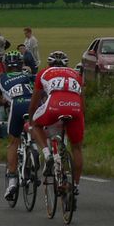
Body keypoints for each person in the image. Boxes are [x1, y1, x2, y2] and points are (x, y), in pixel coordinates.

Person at [29, 51, 85, 195]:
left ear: (49, 64)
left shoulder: (43, 72)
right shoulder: (76, 75)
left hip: (55, 105)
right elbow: (82, 102)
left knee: (36, 124)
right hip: (75, 108)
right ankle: (76, 185)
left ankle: (47, 154)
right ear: (67, 64)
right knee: (77, 148)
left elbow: (34, 101)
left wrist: (30, 120)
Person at [0, 51, 35, 202]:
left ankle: (12, 182)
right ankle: (36, 152)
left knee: (13, 142)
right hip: (33, 104)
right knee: (36, 131)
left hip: (16, 105)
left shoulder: (1, 79)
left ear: (5, 65)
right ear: (21, 64)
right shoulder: (28, 75)